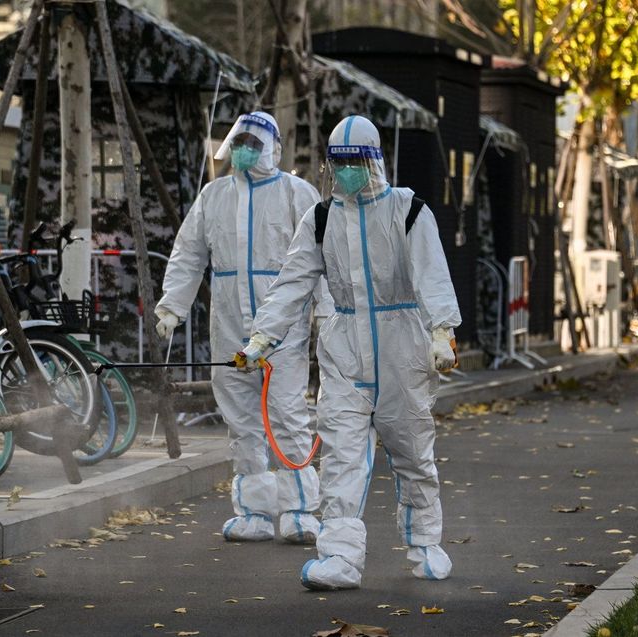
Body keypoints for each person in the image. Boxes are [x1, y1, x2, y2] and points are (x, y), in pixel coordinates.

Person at [237, 115, 461, 590]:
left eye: (354, 162)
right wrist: (263, 338)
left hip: (403, 352)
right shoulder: (321, 218)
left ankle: (425, 543)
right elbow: (292, 282)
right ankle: (339, 557)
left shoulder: (408, 210)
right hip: (344, 355)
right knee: (340, 458)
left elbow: (432, 274)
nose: (345, 173)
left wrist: (442, 331)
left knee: (414, 455)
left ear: (374, 160)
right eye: (338, 164)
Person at [155, 112, 329, 544]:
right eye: (239, 141)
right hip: (229, 328)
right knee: (242, 422)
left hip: (283, 333)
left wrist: (327, 313)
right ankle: (253, 511)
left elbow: (324, 256)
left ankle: (299, 511)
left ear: (272, 147)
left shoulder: (296, 193)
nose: (244, 148)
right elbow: (188, 253)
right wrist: (172, 306)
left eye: (253, 141)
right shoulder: (214, 196)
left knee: (287, 417)